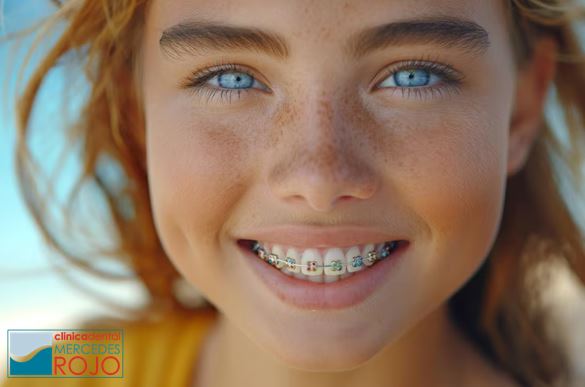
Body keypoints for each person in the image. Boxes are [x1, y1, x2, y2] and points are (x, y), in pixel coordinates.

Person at [4, 0, 585, 386]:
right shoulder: (49, 367)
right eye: (229, 77)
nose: (319, 178)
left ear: (521, 111)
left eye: (413, 76)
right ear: (136, 114)